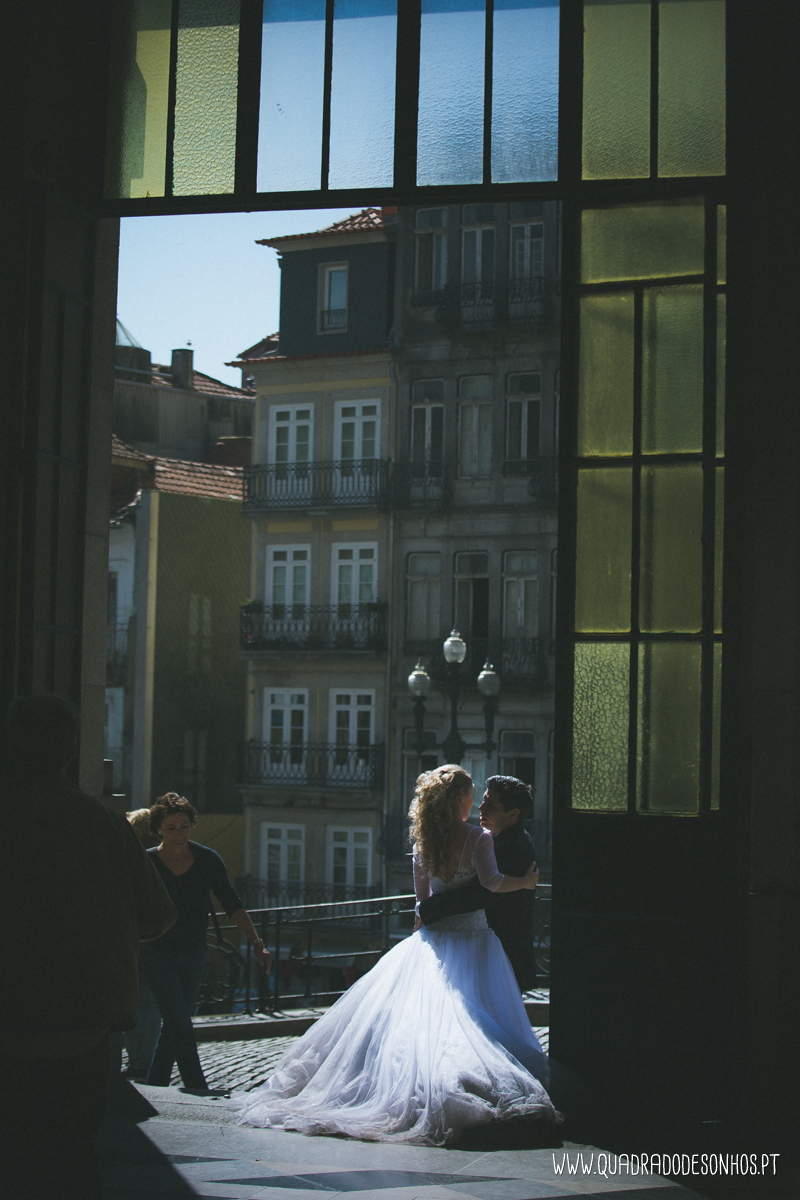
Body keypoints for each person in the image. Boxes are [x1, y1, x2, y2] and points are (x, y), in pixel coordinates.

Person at [231, 765, 559, 1145]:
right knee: (471, 1018)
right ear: (459, 799)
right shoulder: (479, 838)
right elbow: (491, 884)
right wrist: (526, 882)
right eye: (473, 793)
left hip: (432, 941)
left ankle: (413, 1082)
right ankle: (459, 1083)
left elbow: (423, 902)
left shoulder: (423, 843)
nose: (477, 800)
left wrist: (425, 924)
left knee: (426, 1022)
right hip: (474, 939)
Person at [0, 695, 177, 1200]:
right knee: (70, 1152)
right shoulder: (99, 824)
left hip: (8, 1011)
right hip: (80, 1015)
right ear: (68, 750)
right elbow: (157, 914)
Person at [141, 793, 271, 1093]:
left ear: (192, 826)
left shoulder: (207, 859)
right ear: (158, 828)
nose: (178, 834)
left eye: (184, 826)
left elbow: (232, 903)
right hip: (155, 951)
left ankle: (155, 1086)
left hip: (193, 951)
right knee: (178, 1019)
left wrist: (256, 942)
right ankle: (198, 1086)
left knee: (176, 1022)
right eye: (171, 828)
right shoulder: (147, 862)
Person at [418, 775, 539, 992]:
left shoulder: (509, 848)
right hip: (490, 954)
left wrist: (426, 909)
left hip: (502, 956)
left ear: (513, 814)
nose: (481, 807)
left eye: (491, 804)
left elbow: (476, 895)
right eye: (483, 799)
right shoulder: (506, 840)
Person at [123, 808, 164, 1080]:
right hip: (156, 941)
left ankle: (137, 1062)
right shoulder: (159, 861)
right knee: (150, 1006)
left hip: (130, 939)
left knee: (134, 1003)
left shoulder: (129, 861)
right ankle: (143, 1063)